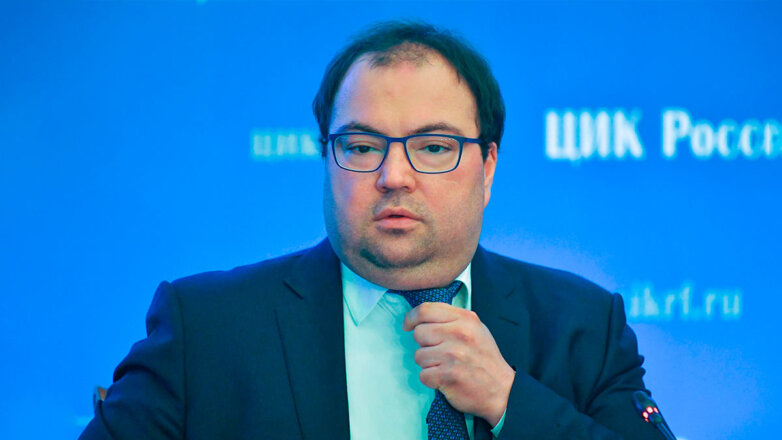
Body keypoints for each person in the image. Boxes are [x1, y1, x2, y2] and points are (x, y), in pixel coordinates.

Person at [81, 21, 669, 440]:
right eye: (362, 146)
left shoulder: (583, 326)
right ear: (326, 158)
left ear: (488, 167)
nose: (394, 176)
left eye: (433, 147)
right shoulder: (205, 328)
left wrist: (511, 401)